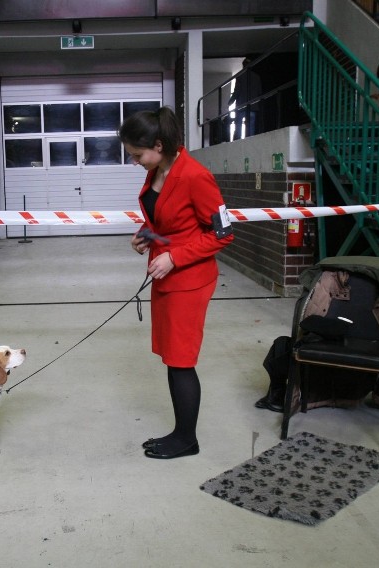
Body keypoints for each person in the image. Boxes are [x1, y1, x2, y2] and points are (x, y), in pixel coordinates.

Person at [118, 107, 235, 459]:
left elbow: (223, 234)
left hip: (190, 280)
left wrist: (175, 256)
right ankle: (181, 432)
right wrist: (147, 234)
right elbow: (172, 220)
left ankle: (187, 439)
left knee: (181, 360)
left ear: (158, 144)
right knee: (173, 357)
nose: (135, 162)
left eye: (137, 155)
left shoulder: (195, 176)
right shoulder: (159, 170)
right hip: (166, 275)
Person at [228, 57, 261, 140]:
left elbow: (237, 91)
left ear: (243, 65)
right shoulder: (257, 77)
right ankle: (250, 142)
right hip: (253, 106)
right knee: (251, 128)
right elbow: (259, 92)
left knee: (238, 126)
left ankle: (237, 142)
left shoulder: (240, 77)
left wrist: (230, 102)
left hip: (241, 106)